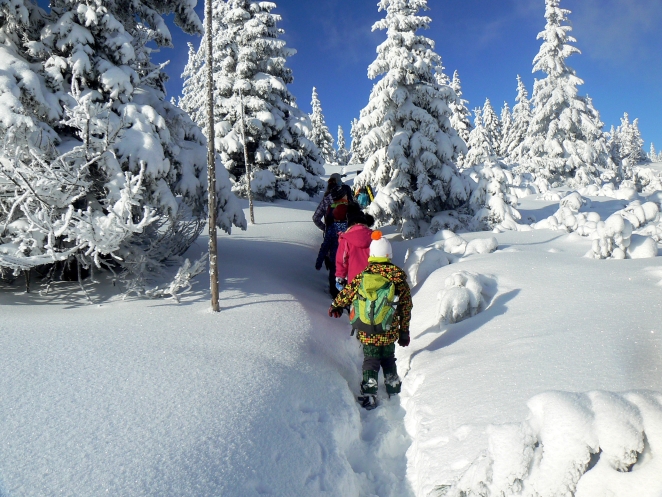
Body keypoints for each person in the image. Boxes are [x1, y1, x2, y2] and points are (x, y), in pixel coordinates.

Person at [328, 231, 412, 409]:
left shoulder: (363, 276)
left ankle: (369, 393)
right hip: (388, 328)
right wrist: (404, 331)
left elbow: (347, 293)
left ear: (372, 255)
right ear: (389, 255)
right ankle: (394, 388)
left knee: (370, 359)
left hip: (367, 328)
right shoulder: (398, 279)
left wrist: (335, 305)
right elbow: (405, 307)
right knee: (388, 357)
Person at [335, 204, 373, 291]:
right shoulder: (375, 237)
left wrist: (340, 276)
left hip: (354, 282)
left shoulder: (346, 239)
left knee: (356, 302)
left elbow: (342, 261)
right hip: (374, 280)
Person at [315, 203, 348, 298]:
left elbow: (325, 246)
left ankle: (335, 298)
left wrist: (319, 262)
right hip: (347, 260)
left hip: (334, 259)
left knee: (334, 279)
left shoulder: (332, 228)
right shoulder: (350, 228)